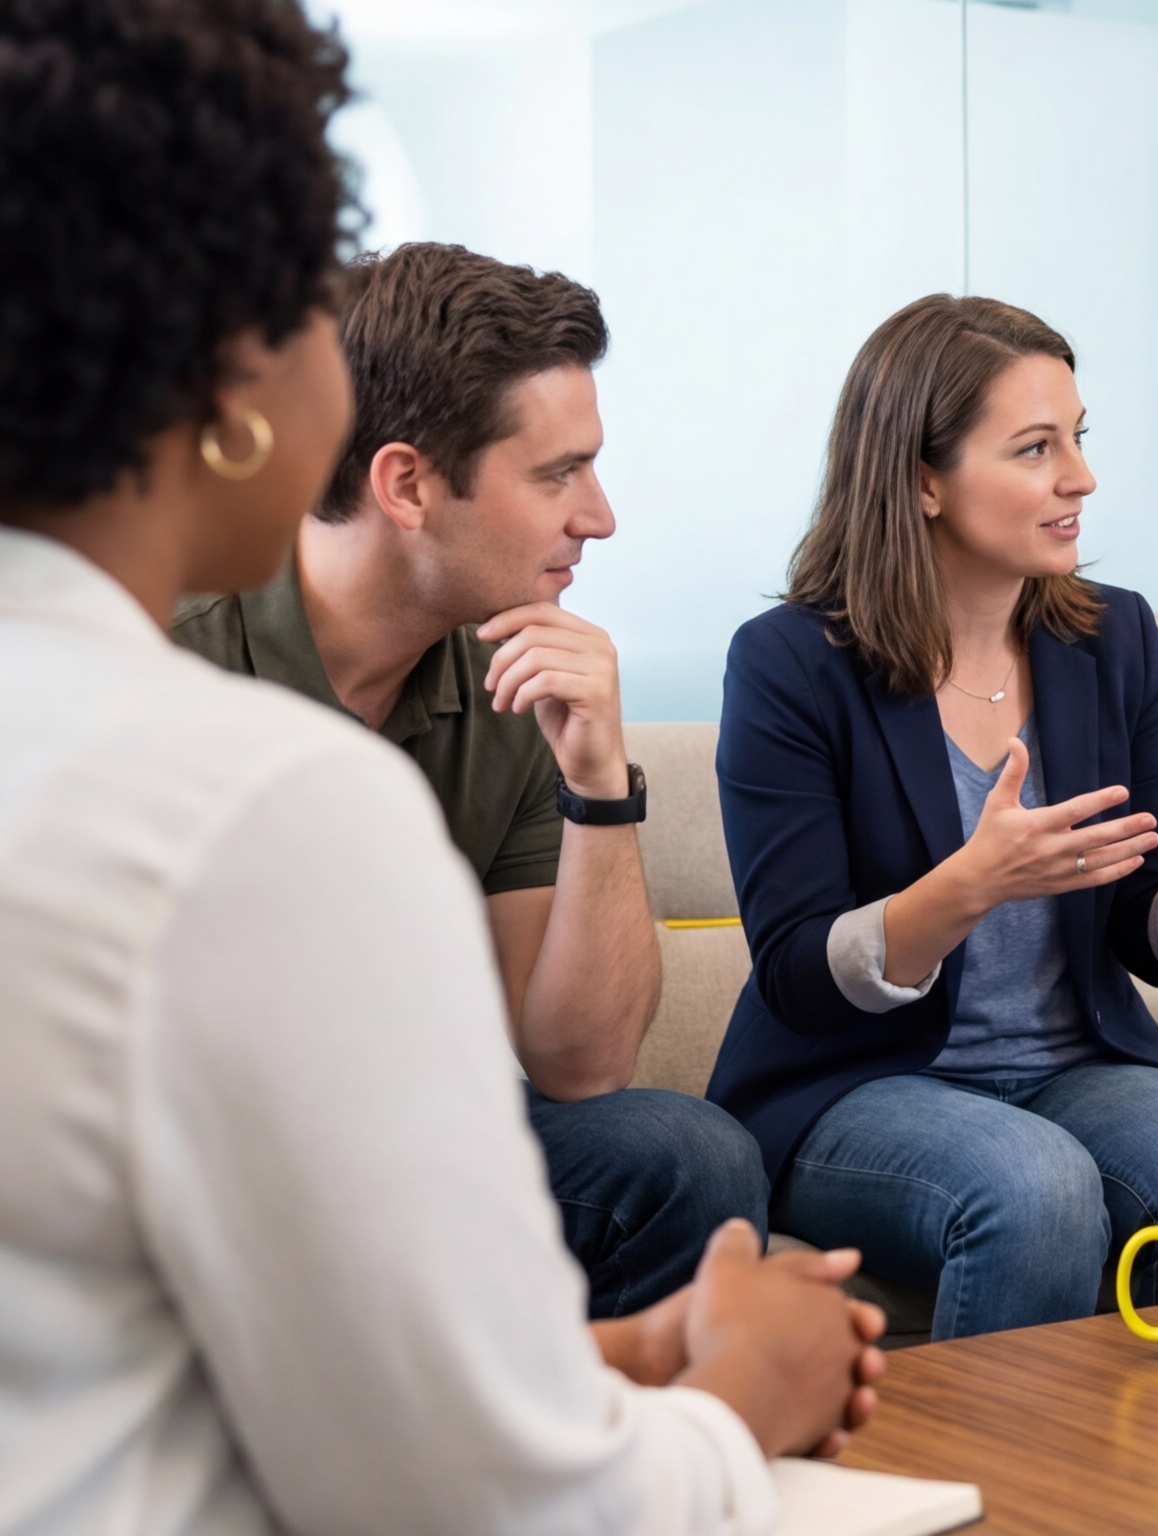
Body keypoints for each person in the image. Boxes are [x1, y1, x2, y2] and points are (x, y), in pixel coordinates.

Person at [0, 3, 883, 1530]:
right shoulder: (250, 794)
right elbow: (487, 1503)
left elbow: (140, 1343)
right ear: (234, 366)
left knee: (668, 1146)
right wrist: (748, 1393)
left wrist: (604, 1356)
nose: (597, 516)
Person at [709, 294, 1158, 1340]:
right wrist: (968, 886)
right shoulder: (789, 666)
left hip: (1070, 1064)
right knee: (1030, 1188)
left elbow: (1145, 919)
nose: (1080, 477)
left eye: (1079, 439)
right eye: (1036, 448)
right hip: (857, 1083)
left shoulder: (1113, 638)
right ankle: (1007, 1498)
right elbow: (795, 967)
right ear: (921, 478)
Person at [172, 240, 769, 1320]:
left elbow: (581, 1067)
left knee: (683, 1156)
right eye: (557, 474)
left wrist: (596, 781)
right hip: (196, 1154)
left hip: (408, 1144)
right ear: (406, 483)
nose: (599, 515)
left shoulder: (510, 679)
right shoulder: (169, 651)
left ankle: (620, 1476)